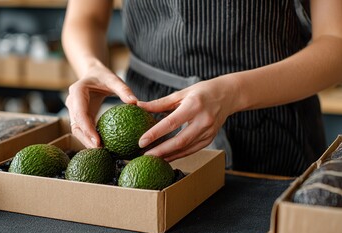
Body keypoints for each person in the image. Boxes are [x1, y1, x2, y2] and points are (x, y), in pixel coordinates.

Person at [61, 0, 342, 176]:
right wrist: (91, 68)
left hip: (276, 133)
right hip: (145, 129)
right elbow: (86, 19)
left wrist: (233, 92)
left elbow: (335, 41)